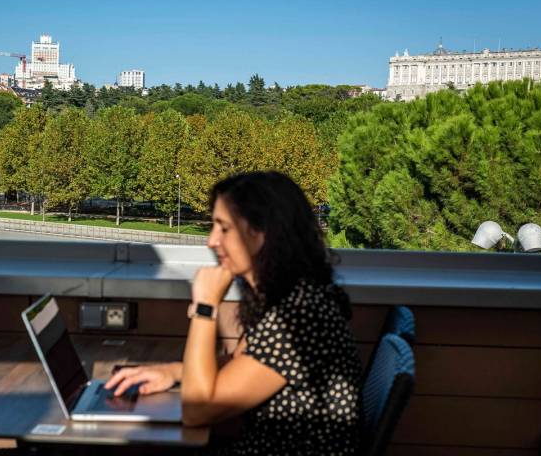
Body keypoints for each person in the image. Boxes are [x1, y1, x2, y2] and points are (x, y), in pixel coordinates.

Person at [105, 171, 362, 455]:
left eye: (223, 228)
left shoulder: (300, 315)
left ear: (261, 233)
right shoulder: (286, 297)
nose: (211, 241)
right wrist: (173, 371)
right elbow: (242, 363)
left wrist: (205, 307)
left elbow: (197, 411)